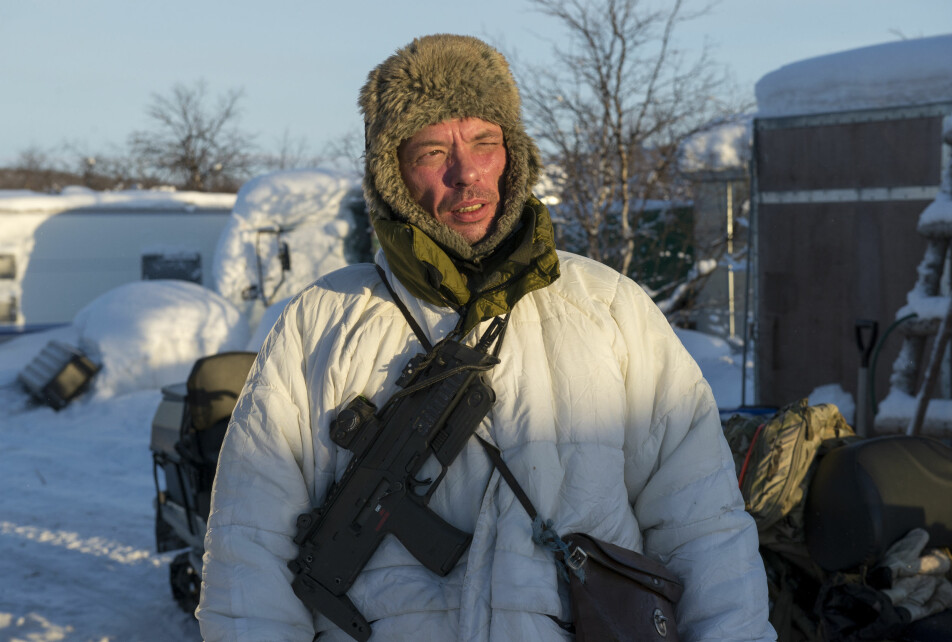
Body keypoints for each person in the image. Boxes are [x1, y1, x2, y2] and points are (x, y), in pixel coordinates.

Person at [197, 34, 775, 641]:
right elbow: (248, 559)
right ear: (392, 175)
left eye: (484, 142)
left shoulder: (608, 307)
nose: (466, 173)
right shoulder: (322, 324)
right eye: (432, 151)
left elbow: (704, 529)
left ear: (513, 156)